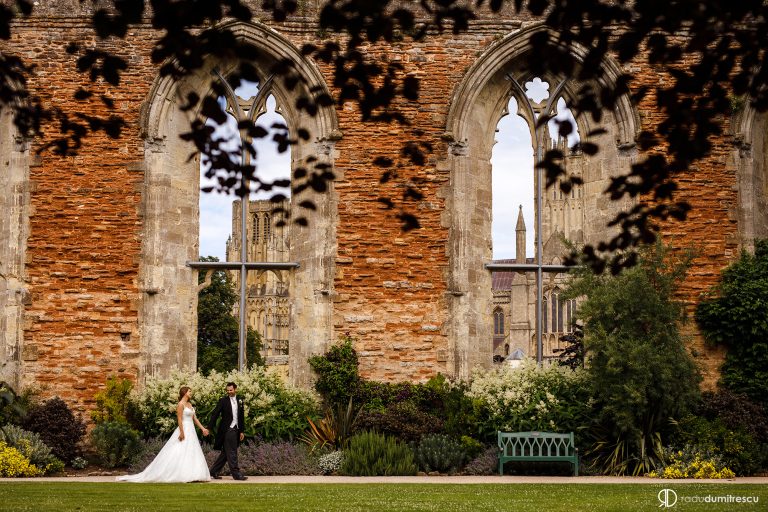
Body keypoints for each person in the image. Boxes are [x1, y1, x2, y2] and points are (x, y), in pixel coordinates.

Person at [116, 386, 210, 483]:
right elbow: (179, 419)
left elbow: (194, 418)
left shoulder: (189, 404)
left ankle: (194, 474)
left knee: (191, 450)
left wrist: (203, 429)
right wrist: (182, 432)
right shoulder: (180, 404)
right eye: (189, 391)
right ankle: (180, 473)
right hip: (184, 428)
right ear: (185, 392)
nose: (191, 392)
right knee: (179, 450)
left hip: (191, 430)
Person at [207, 381, 247, 480]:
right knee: (232, 451)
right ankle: (236, 474)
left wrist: (241, 430)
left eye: (231, 390)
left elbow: (241, 416)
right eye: (227, 390)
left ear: (235, 389)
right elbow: (215, 414)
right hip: (228, 429)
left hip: (236, 429)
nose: (229, 392)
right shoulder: (223, 401)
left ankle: (213, 471)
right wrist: (209, 427)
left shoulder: (240, 400)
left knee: (226, 453)